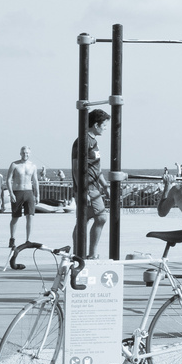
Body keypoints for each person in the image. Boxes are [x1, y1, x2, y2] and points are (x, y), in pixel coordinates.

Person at [71, 110, 110, 259]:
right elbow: (76, 167)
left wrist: (105, 186)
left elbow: (96, 169)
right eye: (104, 125)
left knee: (85, 219)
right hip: (88, 187)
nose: (105, 128)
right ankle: (89, 254)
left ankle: (79, 254)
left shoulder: (93, 141)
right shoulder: (84, 140)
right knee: (101, 218)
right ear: (96, 125)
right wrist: (83, 191)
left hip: (94, 186)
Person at [4, 145, 41, 251]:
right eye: (24, 153)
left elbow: (35, 181)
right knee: (15, 216)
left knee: (30, 216)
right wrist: (11, 193)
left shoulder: (33, 166)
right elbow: (8, 179)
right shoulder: (14, 164)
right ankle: (12, 238)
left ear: (30, 154)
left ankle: (28, 239)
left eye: (27, 153)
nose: (26, 155)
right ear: (20, 153)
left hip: (29, 192)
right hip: (17, 191)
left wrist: (37, 194)